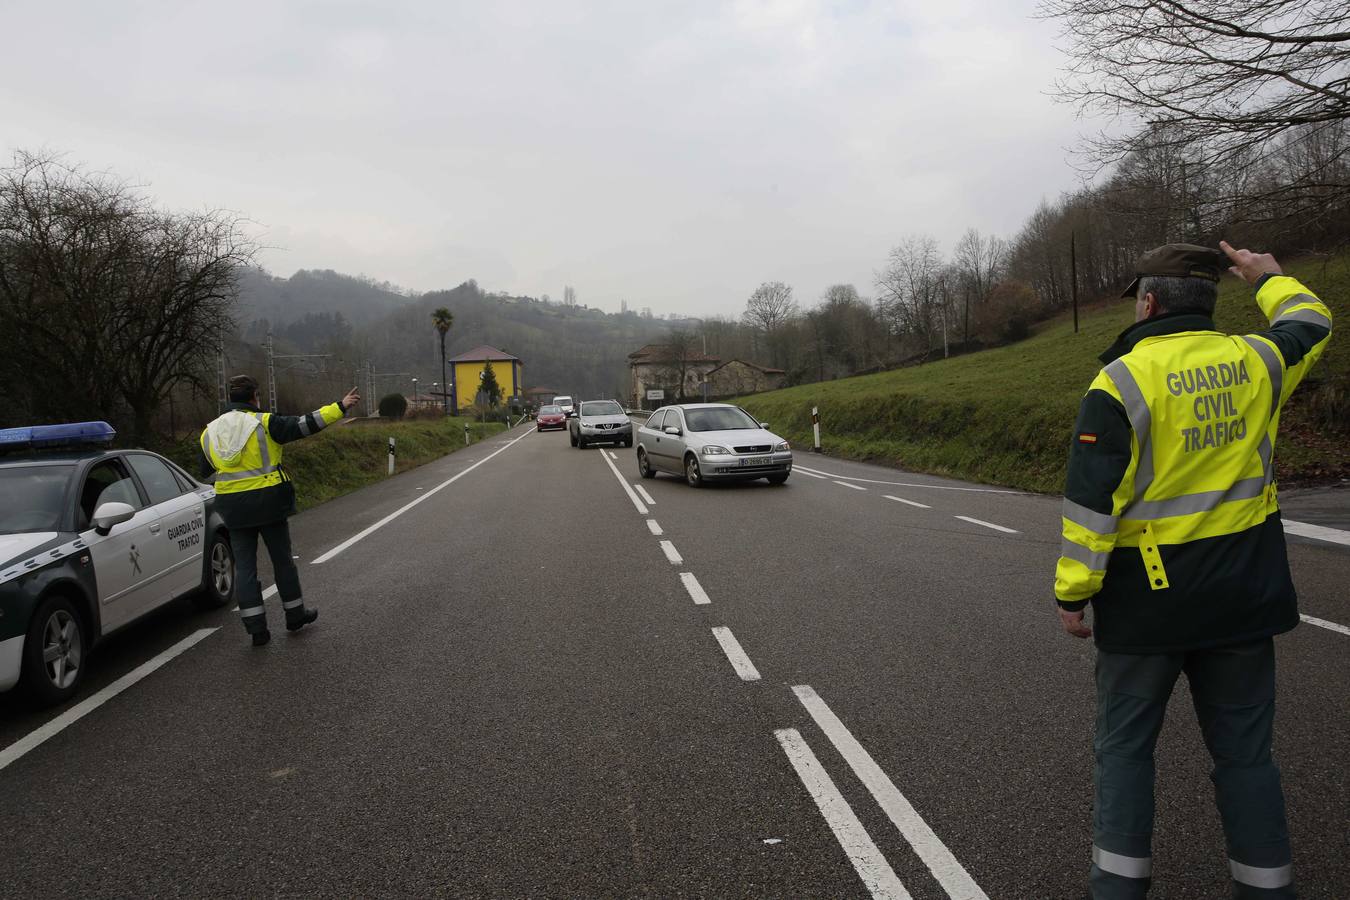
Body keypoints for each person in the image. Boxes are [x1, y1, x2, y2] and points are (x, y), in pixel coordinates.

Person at [1054, 242, 1332, 899]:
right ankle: (1267, 888)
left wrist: (1074, 593)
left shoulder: (1121, 382)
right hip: (1243, 595)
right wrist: (1267, 279)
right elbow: (1312, 322)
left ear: (1148, 303)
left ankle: (1117, 890)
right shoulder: (1257, 361)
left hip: (1146, 606)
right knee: (1246, 756)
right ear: (1207, 302)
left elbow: (1092, 505)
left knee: (1124, 752)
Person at [200, 376, 360, 647]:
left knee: (246, 567)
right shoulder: (264, 422)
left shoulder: (209, 432)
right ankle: (295, 615)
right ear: (254, 398)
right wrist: (341, 406)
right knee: (282, 561)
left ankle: (256, 630)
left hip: (233, 509)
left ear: (230, 398)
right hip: (268, 503)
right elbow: (306, 424)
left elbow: (206, 473)